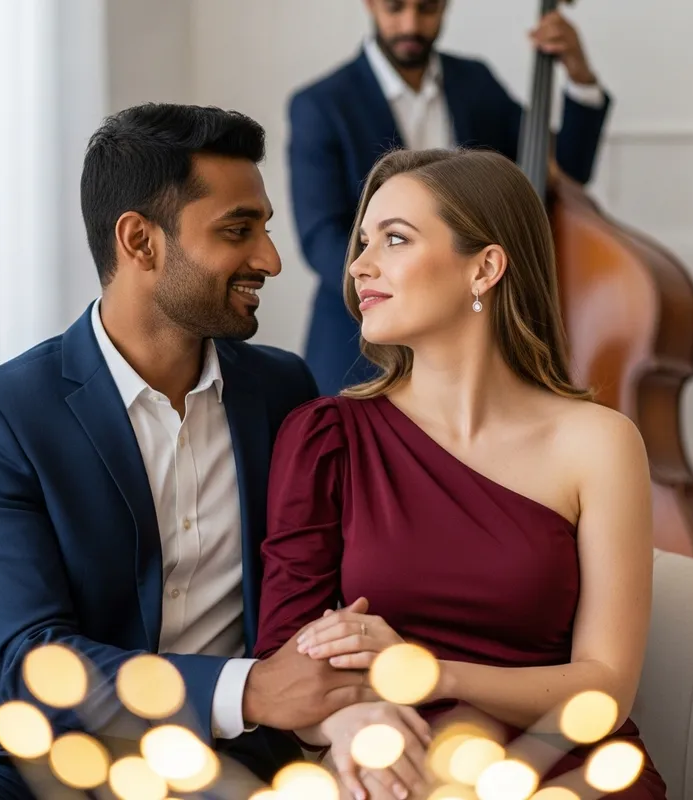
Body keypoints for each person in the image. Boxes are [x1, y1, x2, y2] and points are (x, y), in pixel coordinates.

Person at [0, 104, 377, 799]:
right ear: (140, 242)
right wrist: (252, 690)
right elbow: (32, 662)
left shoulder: (284, 389)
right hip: (35, 757)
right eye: (239, 229)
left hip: (231, 761)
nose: (270, 258)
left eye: (264, 226)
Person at [255, 148, 667, 799]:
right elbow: (282, 659)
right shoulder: (326, 437)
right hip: (390, 768)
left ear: (486, 267)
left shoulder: (600, 444)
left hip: (563, 770)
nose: (360, 265)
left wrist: (429, 674)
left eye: (395, 239)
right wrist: (347, 721)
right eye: (363, 243)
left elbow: (605, 688)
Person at [289, 0, 611, 396]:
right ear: (370, 5)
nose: (411, 25)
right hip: (356, 349)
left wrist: (579, 76)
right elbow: (322, 238)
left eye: (426, 9)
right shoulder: (320, 105)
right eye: (395, 9)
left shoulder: (476, 83)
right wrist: (417, 294)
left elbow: (565, 169)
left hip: (477, 345)